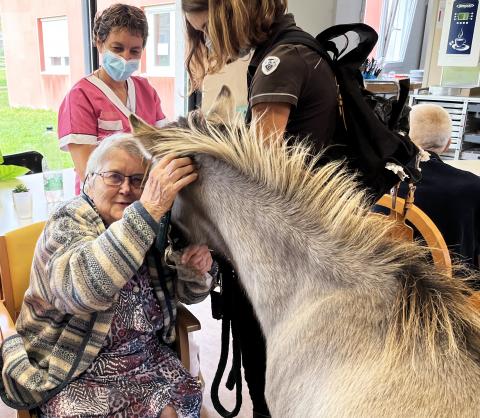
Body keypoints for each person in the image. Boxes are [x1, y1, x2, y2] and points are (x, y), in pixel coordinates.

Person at [182, 1, 338, 416]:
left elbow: (256, 183)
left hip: (282, 259)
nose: (209, 42)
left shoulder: (279, 63)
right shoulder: (299, 48)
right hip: (308, 250)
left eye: (209, 31)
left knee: (270, 385)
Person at [0, 134, 216, 418]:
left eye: (138, 180)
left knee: (175, 408)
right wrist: (148, 210)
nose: (127, 189)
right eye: (114, 176)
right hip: (75, 365)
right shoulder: (68, 220)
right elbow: (82, 291)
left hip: (145, 357)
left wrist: (195, 272)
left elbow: (185, 295)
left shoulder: (151, 225)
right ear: (89, 181)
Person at [58, 3, 168, 194]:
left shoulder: (145, 90)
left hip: (144, 197)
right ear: (99, 43)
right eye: (117, 48)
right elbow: (88, 173)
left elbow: (164, 146)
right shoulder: (81, 97)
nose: (126, 58)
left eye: (134, 51)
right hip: (101, 202)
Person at [398, 104, 480, 272]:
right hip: (454, 291)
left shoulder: (383, 181)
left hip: (386, 285)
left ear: (405, 137)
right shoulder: (473, 187)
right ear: (448, 144)